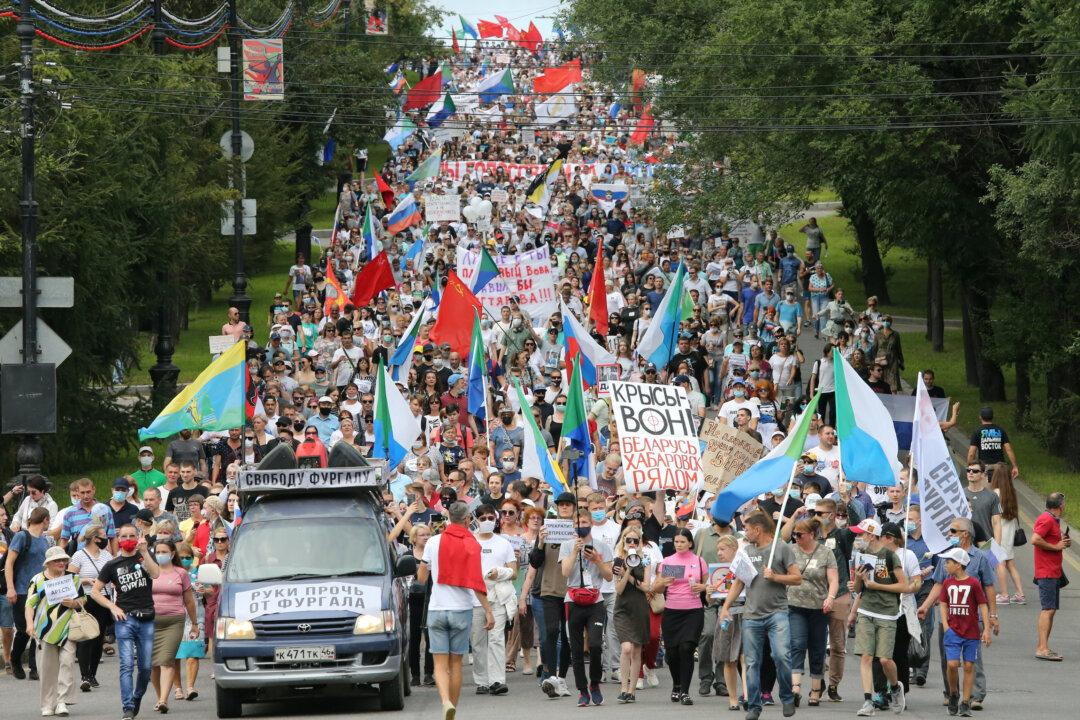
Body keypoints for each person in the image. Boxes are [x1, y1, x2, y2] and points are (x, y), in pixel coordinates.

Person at [718, 511, 802, 720]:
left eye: (747, 529)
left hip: (777, 613)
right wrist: (725, 607)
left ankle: (786, 696)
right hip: (752, 615)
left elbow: (797, 578)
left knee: (781, 656)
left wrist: (776, 576)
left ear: (758, 529)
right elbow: (739, 582)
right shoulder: (745, 551)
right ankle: (754, 706)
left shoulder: (781, 547)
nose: (744, 532)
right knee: (752, 662)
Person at [418, 501, 495, 720]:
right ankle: (453, 708)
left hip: (437, 609)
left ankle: (445, 702)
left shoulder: (433, 542)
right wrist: (488, 610)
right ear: (467, 520)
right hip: (462, 609)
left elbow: (422, 578)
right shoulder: (472, 544)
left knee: (439, 665)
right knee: (456, 664)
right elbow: (476, 581)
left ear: (449, 518)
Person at [917, 518, 998, 710]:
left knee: (972, 660)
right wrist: (926, 606)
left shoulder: (980, 557)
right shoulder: (947, 557)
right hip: (949, 620)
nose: (949, 534)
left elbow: (989, 587)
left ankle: (974, 695)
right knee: (948, 659)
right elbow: (938, 585)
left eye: (953, 531)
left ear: (965, 534)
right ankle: (950, 693)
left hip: (972, 618)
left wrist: (992, 618)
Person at [91, 524, 162, 720]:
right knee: (127, 664)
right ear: (118, 539)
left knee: (146, 667)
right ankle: (127, 707)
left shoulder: (144, 557)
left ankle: (137, 697)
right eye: (124, 536)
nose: (128, 538)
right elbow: (95, 592)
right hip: (125, 618)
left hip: (147, 617)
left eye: (132, 535)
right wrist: (113, 607)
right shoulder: (112, 565)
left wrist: (144, 551)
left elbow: (155, 574)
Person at [847, 517, 907, 716]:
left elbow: (903, 585)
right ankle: (868, 701)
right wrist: (857, 580)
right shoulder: (861, 556)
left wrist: (876, 585)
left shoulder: (890, 556)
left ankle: (896, 687)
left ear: (872, 535)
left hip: (888, 613)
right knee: (866, 656)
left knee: (884, 660)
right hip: (866, 610)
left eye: (861, 534)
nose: (858, 538)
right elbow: (858, 589)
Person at [559, 508, 614, 707]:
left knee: (595, 645)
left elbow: (608, 576)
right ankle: (582, 690)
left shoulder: (602, 546)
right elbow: (565, 572)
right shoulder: (566, 545)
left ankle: (595, 683)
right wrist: (575, 551)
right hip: (573, 599)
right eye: (576, 523)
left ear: (590, 523)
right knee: (575, 649)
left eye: (583, 522)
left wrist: (597, 560)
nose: (580, 526)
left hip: (595, 600)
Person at [25, 545, 87, 718]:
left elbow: (83, 598)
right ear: (48, 563)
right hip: (44, 630)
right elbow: (30, 604)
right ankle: (47, 704)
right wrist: (29, 624)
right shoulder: (37, 580)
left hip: (68, 628)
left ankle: (61, 701)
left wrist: (74, 603)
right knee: (47, 669)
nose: (61, 563)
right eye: (57, 560)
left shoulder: (73, 578)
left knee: (67, 662)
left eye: (64, 560)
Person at [786, 517, 838, 707]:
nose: (796, 537)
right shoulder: (790, 550)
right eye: (794, 534)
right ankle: (795, 689)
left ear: (811, 535)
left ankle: (816, 690)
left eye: (799, 535)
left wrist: (830, 598)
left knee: (817, 649)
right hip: (795, 605)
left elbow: (833, 580)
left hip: (818, 607)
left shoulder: (825, 553)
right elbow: (781, 538)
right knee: (797, 643)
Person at [652, 528, 707, 706]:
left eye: (683, 541)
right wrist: (663, 582)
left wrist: (702, 587)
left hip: (693, 610)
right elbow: (657, 588)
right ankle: (676, 684)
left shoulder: (699, 561)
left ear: (690, 543)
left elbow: (708, 585)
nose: (679, 545)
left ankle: (685, 691)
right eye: (676, 542)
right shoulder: (668, 561)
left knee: (687, 648)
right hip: (672, 611)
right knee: (673, 653)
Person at [937, 547, 991, 717]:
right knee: (952, 664)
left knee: (969, 666)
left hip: (971, 632)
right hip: (953, 630)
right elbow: (943, 603)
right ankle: (954, 693)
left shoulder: (974, 583)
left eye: (948, 562)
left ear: (958, 565)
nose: (945, 565)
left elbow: (982, 605)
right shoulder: (947, 583)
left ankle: (966, 702)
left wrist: (986, 629)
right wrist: (946, 625)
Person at [533, 492, 576, 698]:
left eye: (568, 505)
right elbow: (534, 561)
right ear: (557, 508)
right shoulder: (547, 529)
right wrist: (540, 542)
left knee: (567, 637)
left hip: (571, 589)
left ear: (574, 508)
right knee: (551, 632)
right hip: (549, 588)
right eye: (561, 505)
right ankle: (550, 675)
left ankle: (562, 678)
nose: (564, 508)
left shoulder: (578, 530)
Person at [470, 504, 516, 696]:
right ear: (476, 521)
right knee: (478, 641)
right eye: (483, 518)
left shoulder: (503, 543)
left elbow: (514, 571)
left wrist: (501, 572)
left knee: (497, 639)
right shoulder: (469, 542)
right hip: (474, 598)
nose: (487, 521)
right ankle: (482, 680)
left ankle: (497, 680)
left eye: (490, 517)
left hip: (497, 596)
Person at [149, 539, 198, 713]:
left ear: (172, 554)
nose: (160, 555)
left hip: (174, 620)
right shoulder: (149, 571)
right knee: (153, 663)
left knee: (167, 660)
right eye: (158, 552)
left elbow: (189, 601)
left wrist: (194, 623)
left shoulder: (181, 573)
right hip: (150, 621)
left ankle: (164, 700)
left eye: (164, 551)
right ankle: (159, 696)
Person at [6, 505, 51, 680]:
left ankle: (34, 667)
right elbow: (9, 562)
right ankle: (15, 658)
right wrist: (11, 588)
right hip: (23, 589)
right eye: (48, 521)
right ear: (45, 520)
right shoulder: (22, 536)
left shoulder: (44, 540)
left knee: (39, 629)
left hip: (41, 591)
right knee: (24, 629)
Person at [68, 523, 114, 691]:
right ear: (95, 538)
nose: (106, 538)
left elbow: (112, 576)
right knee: (86, 636)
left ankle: (92, 674)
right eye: (103, 535)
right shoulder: (79, 555)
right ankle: (84, 675)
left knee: (98, 636)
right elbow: (70, 579)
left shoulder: (107, 556)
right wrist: (86, 580)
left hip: (103, 598)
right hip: (86, 599)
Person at [612, 526, 651, 704]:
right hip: (622, 609)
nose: (633, 543)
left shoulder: (646, 559)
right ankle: (622, 688)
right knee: (626, 648)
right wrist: (627, 569)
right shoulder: (618, 560)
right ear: (624, 542)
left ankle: (632, 690)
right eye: (629, 540)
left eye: (636, 540)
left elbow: (646, 586)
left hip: (639, 608)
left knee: (636, 651)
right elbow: (618, 590)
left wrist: (631, 577)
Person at [1032, 492, 1069, 661]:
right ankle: (1041, 648)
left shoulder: (1053, 520)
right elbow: (1035, 539)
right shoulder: (1046, 519)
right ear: (1060, 506)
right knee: (1047, 609)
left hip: (1053, 571)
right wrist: (1056, 547)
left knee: (1051, 609)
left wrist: (1062, 541)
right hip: (1046, 571)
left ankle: (1044, 646)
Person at [989, 465, 1024, 604]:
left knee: (1000, 563)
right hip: (1010, 529)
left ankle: (1004, 595)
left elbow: (993, 516)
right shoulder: (1011, 492)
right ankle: (1020, 594)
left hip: (999, 530)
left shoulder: (995, 493)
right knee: (1010, 563)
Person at [966, 406, 1019, 478]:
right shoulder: (1000, 430)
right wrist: (1015, 466)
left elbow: (971, 454)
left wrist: (970, 468)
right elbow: (1009, 450)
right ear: (992, 417)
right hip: (1000, 467)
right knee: (1000, 488)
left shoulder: (977, 432)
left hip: (985, 467)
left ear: (980, 417)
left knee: (987, 488)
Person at [962, 460, 1001, 545]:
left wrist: (998, 546)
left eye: (975, 471)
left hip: (986, 544)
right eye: (968, 470)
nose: (971, 472)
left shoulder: (992, 496)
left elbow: (996, 522)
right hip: (964, 543)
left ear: (983, 475)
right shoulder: (959, 494)